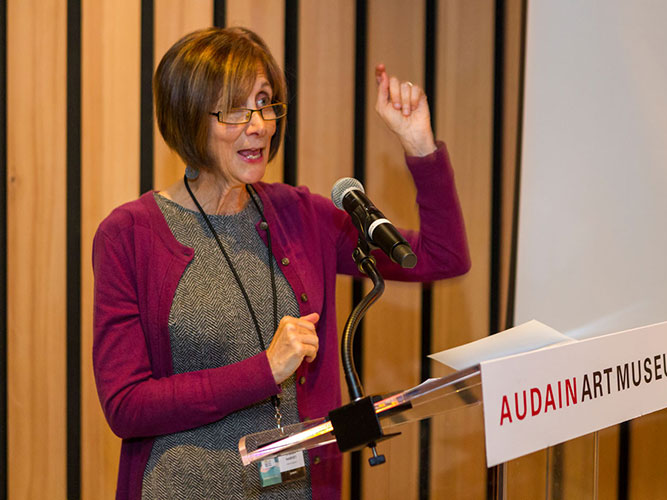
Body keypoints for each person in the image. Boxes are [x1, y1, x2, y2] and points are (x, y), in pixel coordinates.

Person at [92, 26, 470, 500]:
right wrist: (264, 370)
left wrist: (419, 146)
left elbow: (442, 256)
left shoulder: (299, 215)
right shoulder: (130, 234)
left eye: (266, 102)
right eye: (235, 109)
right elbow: (126, 405)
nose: (261, 125)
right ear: (188, 117)